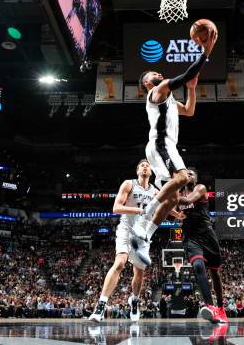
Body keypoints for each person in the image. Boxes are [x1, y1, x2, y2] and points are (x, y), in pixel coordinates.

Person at [131, 28, 219, 266]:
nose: (158, 73)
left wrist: (192, 88)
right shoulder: (156, 92)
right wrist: (205, 53)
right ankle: (144, 218)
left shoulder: (168, 99)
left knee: (170, 200)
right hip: (161, 144)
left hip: (162, 146)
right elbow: (184, 74)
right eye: (154, 73)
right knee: (183, 176)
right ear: (148, 83)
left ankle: (144, 236)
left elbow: (189, 111)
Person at [89, 159, 159, 323]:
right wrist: (139, 210)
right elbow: (116, 208)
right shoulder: (129, 184)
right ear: (137, 171)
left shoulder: (155, 191)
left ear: (151, 172)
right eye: (142, 165)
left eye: (148, 165)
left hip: (142, 234)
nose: (145, 166)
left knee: (139, 273)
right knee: (120, 263)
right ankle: (101, 306)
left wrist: (178, 215)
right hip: (126, 229)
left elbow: (166, 208)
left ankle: (134, 300)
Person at [178, 168, 227, 324]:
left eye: (192, 174)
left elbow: (186, 201)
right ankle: (210, 306)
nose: (189, 176)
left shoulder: (200, 188)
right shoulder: (178, 194)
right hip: (191, 238)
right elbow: (169, 215)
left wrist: (165, 194)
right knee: (198, 267)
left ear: (196, 178)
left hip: (207, 235)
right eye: (187, 174)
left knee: (215, 274)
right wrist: (172, 211)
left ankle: (220, 307)